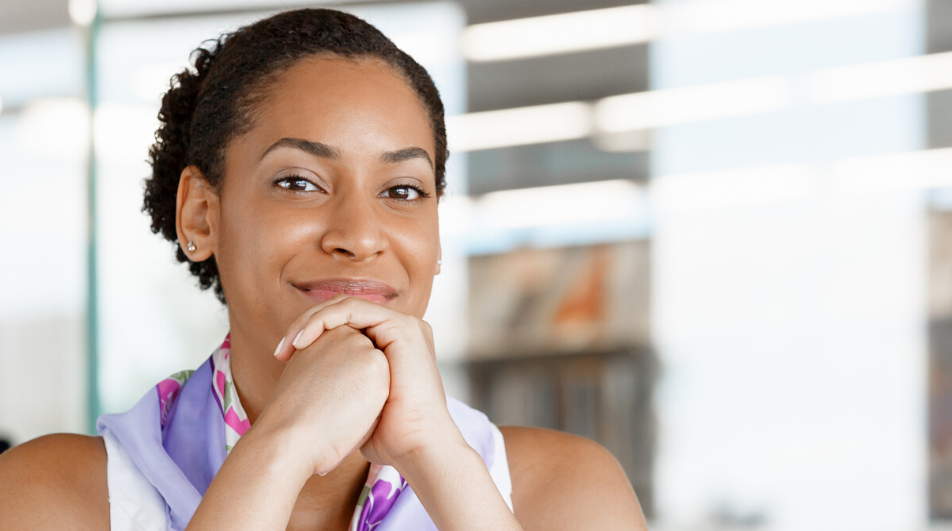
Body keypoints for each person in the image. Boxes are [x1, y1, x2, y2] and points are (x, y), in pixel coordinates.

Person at [0, 9, 647, 530]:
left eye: (402, 191)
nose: (360, 234)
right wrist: (283, 444)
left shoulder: (562, 494)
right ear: (201, 215)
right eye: (299, 181)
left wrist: (439, 461)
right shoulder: (51, 498)